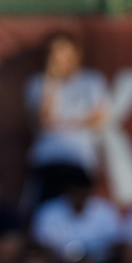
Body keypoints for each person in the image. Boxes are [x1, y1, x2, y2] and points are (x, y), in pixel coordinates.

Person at [25, 31, 109, 206]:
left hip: (80, 160)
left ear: (75, 55)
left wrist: (60, 123)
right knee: (45, 212)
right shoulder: (38, 83)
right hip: (48, 161)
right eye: (54, 54)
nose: (59, 59)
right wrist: (52, 80)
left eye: (64, 53)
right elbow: (43, 121)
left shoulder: (92, 81)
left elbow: (99, 120)